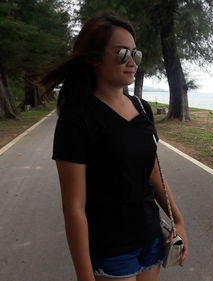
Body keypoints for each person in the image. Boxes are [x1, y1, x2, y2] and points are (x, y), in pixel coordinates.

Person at [39, 12, 189, 281]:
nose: (132, 62)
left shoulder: (142, 108)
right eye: (121, 53)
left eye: (135, 53)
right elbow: (74, 206)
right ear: (94, 58)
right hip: (111, 249)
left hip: (150, 238)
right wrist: (85, 276)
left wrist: (178, 220)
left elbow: (153, 172)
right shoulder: (78, 117)